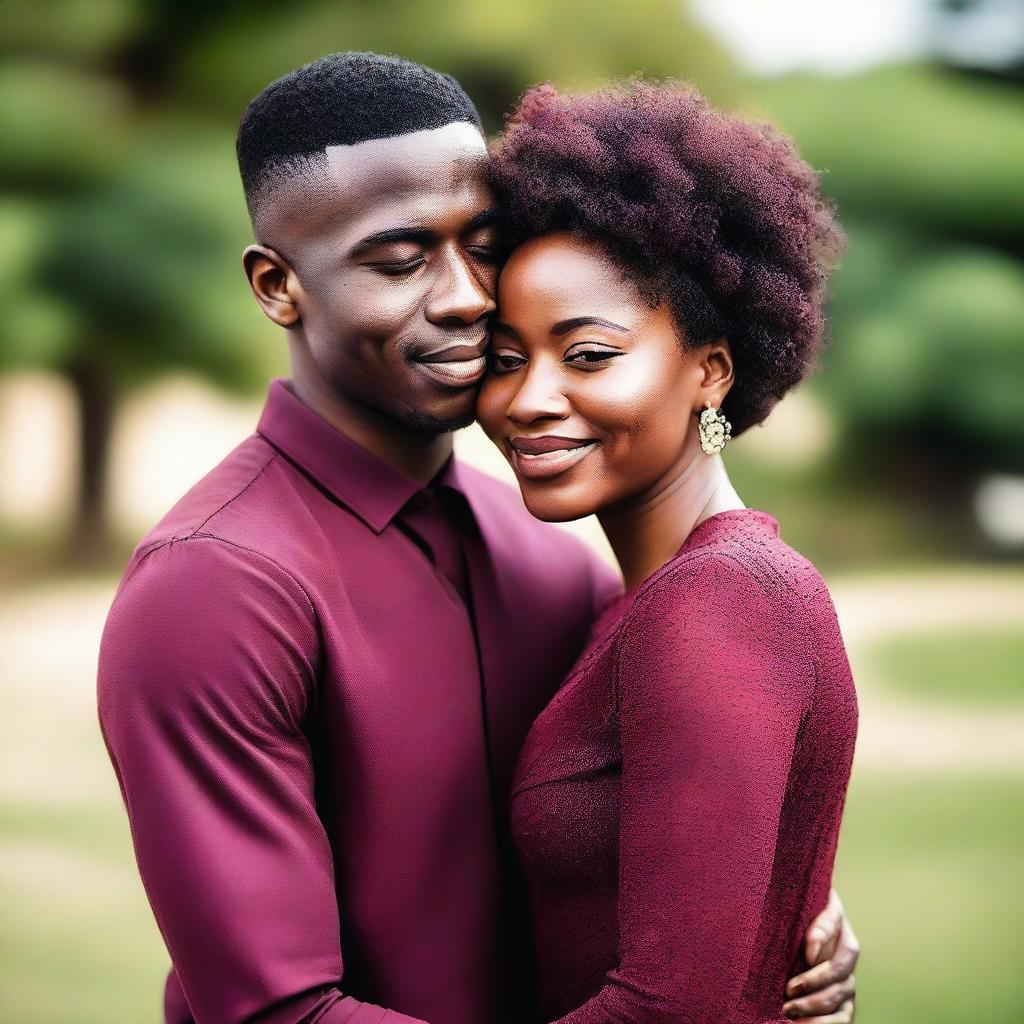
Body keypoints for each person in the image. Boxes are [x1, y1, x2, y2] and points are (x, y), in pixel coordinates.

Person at [97, 54, 858, 1024]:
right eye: (400, 256)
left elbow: (651, 873)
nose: (463, 295)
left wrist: (768, 922)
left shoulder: (554, 558)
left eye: (482, 244)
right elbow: (275, 1013)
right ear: (277, 285)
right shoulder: (214, 587)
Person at [477, 81, 859, 1023]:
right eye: (505, 354)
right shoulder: (645, 600)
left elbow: (666, 1008)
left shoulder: (722, 600)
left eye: (589, 353)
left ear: (710, 371)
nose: (528, 399)